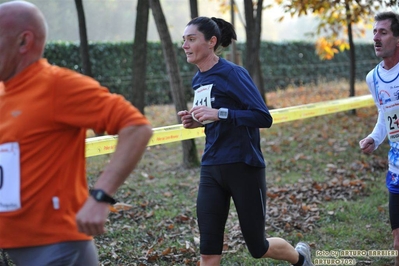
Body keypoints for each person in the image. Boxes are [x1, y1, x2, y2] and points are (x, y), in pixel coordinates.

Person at [0, 1, 153, 265]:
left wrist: (101, 196)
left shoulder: (58, 85)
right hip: (13, 244)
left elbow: (137, 127)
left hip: (56, 249)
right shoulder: (5, 92)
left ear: (24, 42)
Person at [177, 16, 313, 266]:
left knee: (257, 247)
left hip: (243, 165)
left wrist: (219, 113)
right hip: (211, 167)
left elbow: (263, 116)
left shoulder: (233, 73)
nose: (185, 45)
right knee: (208, 250)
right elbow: (214, 117)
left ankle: (300, 257)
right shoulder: (198, 79)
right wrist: (198, 121)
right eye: (184, 40)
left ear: (211, 42)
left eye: (191, 39)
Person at [359, 11, 399, 266]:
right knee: (397, 242)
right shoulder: (373, 78)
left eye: (383, 32)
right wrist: (374, 137)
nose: (376, 37)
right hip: (397, 168)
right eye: (374, 32)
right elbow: (384, 115)